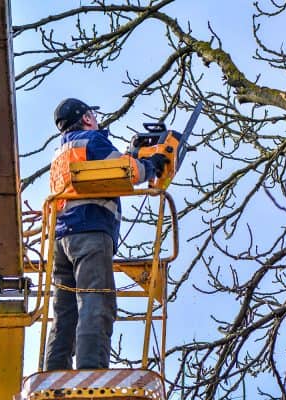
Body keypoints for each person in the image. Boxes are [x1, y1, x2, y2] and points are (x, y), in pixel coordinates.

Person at [44, 98, 169, 370]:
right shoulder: (92, 141)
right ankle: (91, 371)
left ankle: (54, 373)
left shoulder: (60, 153)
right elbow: (126, 171)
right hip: (89, 231)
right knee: (95, 300)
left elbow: (107, 172)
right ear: (87, 118)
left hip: (61, 238)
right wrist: (152, 164)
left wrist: (131, 157)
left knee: (64, 313)